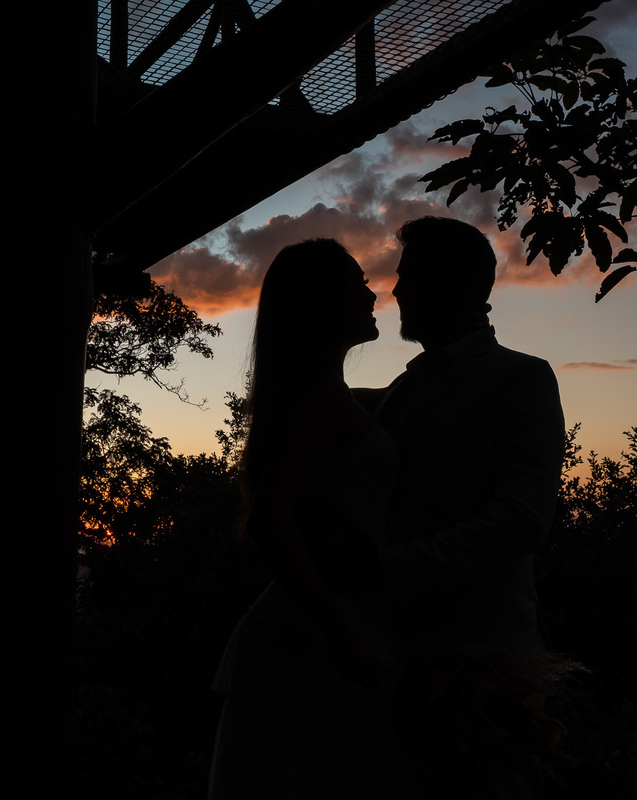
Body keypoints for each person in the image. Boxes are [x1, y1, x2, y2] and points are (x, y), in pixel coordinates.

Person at [207, 238, 418, 799]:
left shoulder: (331, 398)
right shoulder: (323, 403)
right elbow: (269, 519)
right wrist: (343, 632)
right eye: (357, 281)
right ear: (324, 301)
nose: (372, 293)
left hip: (320, 626)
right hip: (313, 638)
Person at [369, 216, 567, 799]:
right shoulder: (403, 388)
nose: (398, 290)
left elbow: (523, 518)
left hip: (480, 669)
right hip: (396, 654)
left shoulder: (521, 378)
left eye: (414, 275)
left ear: (468, 285)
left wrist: (389, 566)